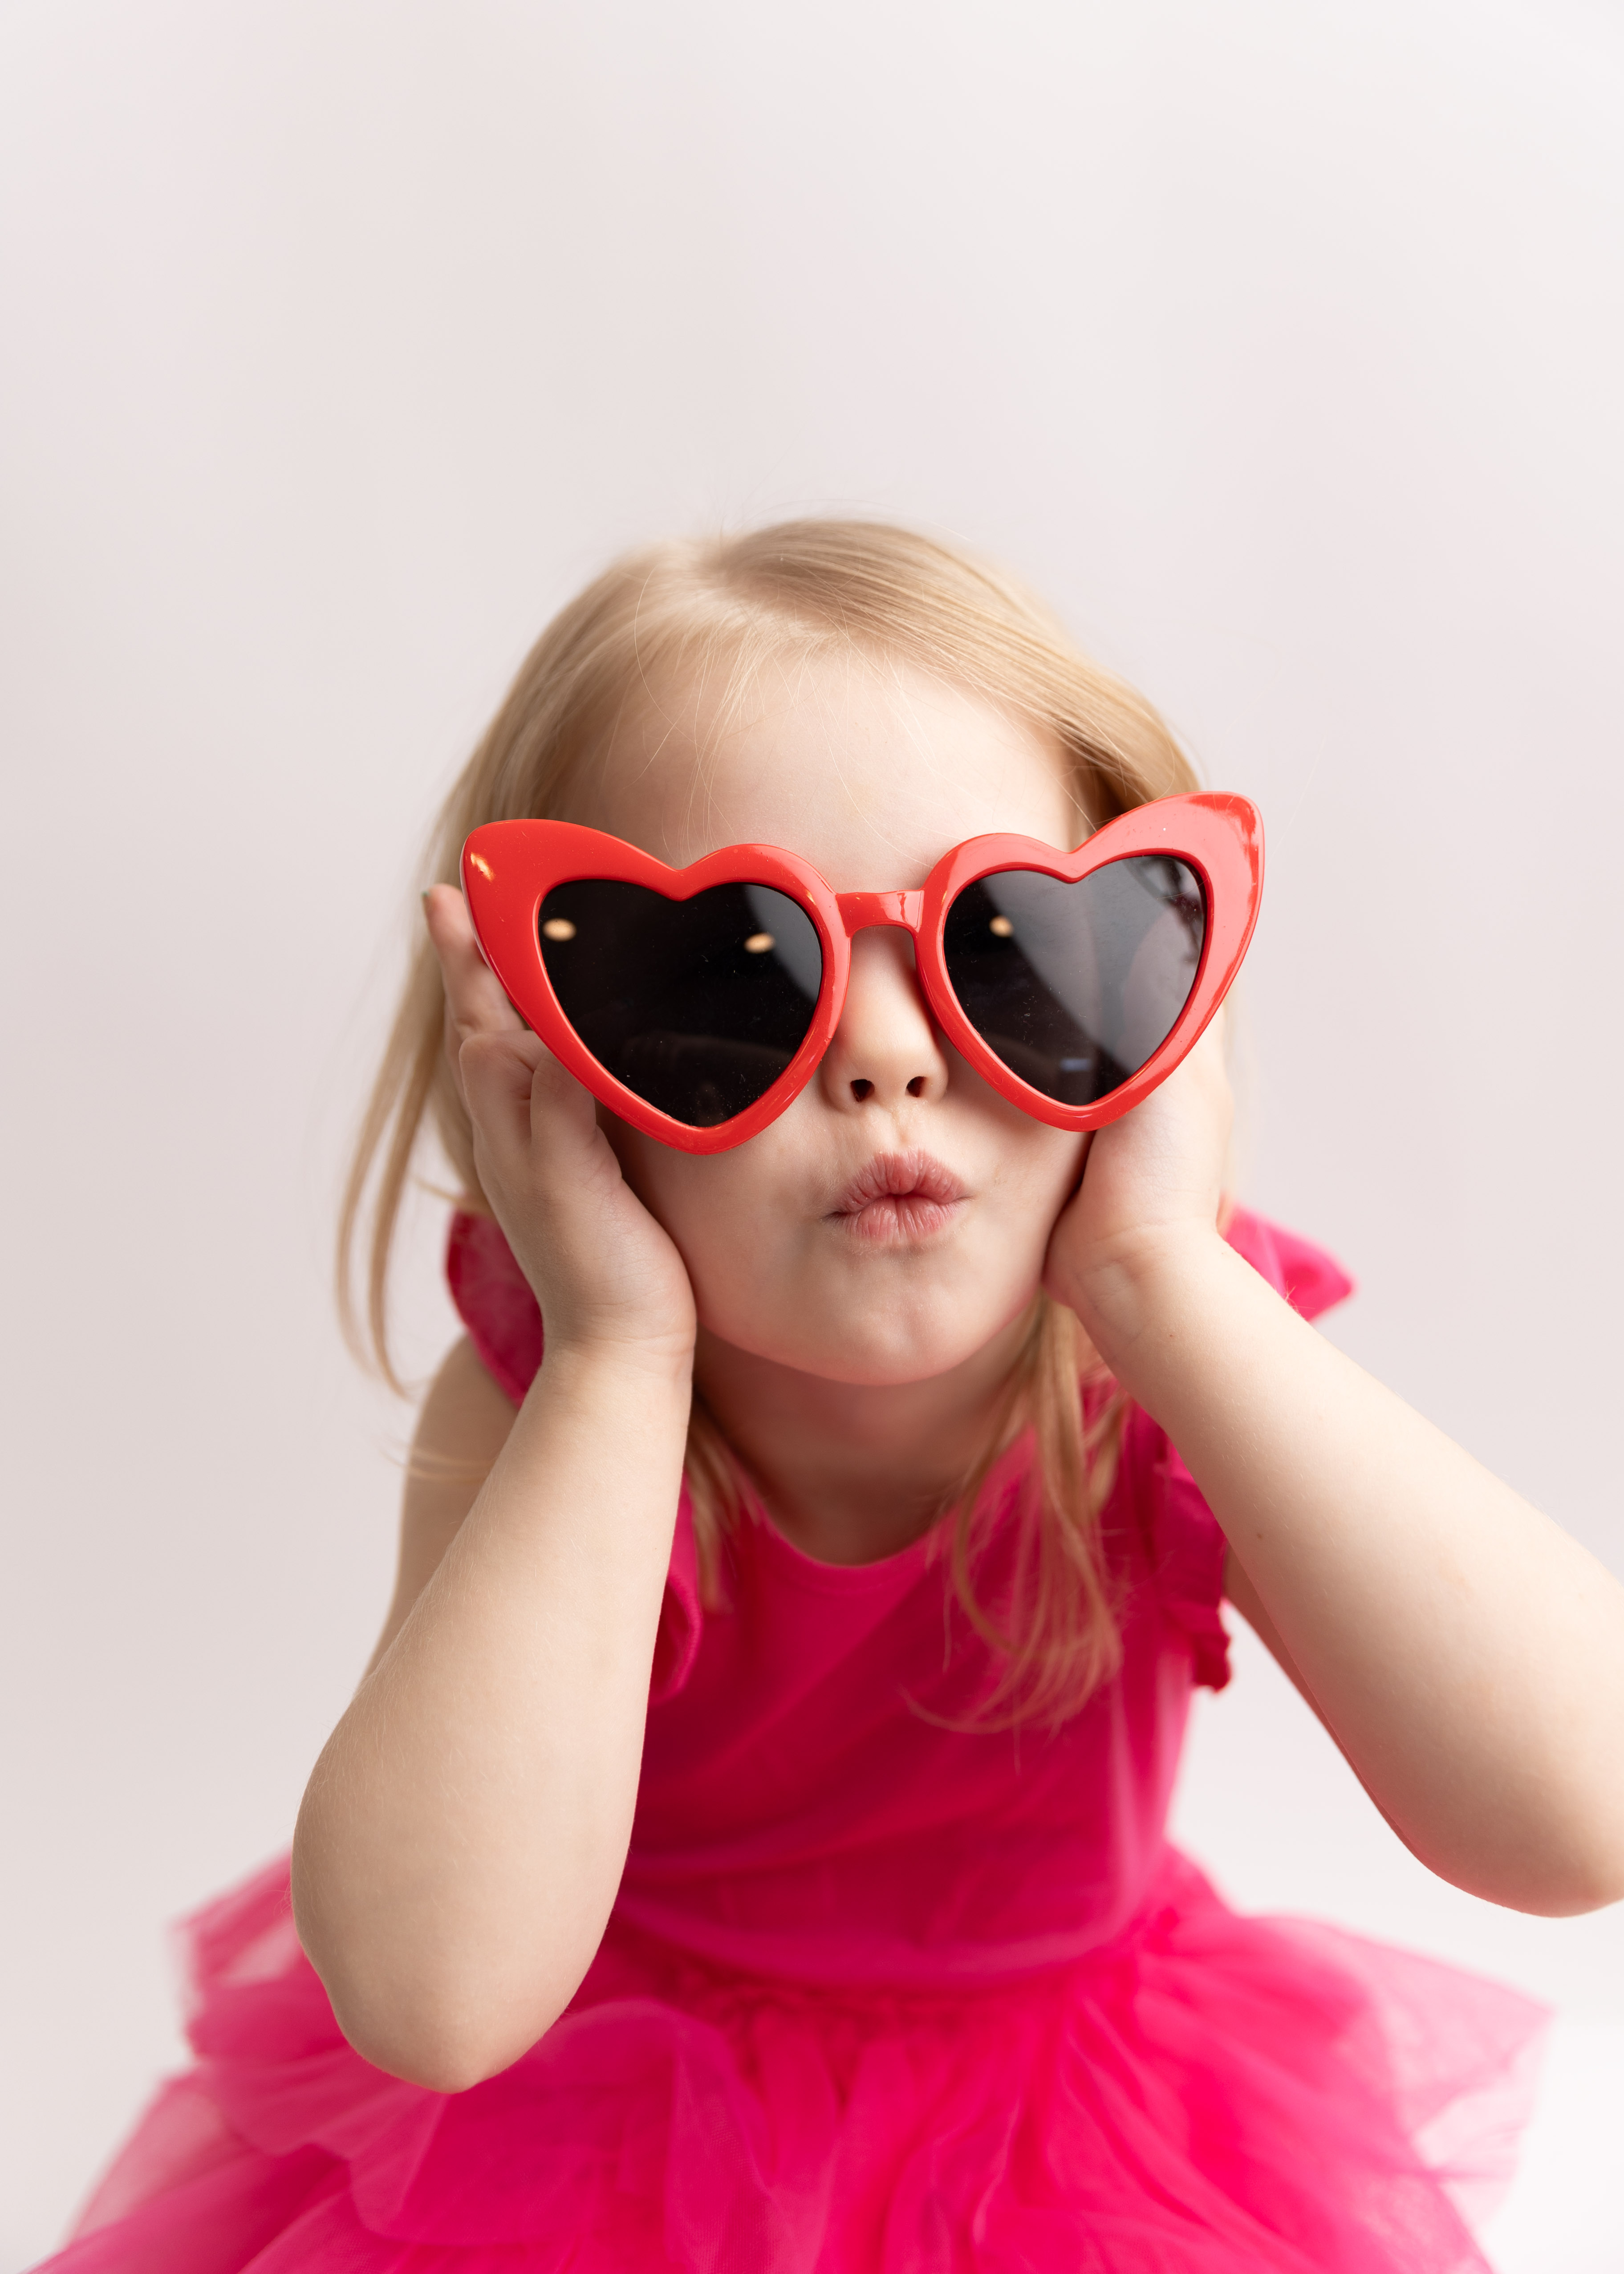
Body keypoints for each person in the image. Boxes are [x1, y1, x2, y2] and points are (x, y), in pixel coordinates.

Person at [42, 522, 1624, 2273]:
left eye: (1009, 945)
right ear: (559, 1072)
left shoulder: (1155, 1367)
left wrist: (1165, 1275)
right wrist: (617, 1356)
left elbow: (1585, 1809)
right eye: (734, 976)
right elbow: (434, 1994)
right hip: (593, 2162)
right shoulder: (546, 1398)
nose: (887, 1053)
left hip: (1094, 2159)